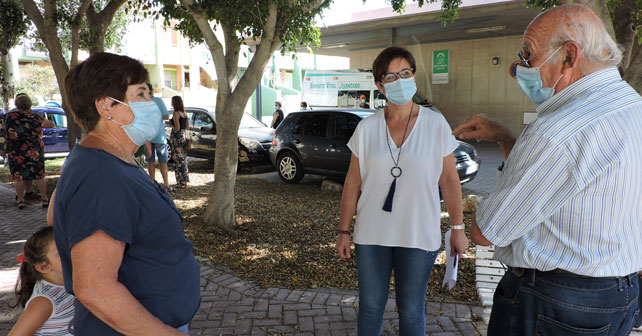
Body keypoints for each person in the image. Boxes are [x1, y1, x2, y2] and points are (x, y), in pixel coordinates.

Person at [452, 5, 642, 336]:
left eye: (527, 56)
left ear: (569, 55)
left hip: (555, 302)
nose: (519, 70)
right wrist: (504, 137)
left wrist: (473, 209)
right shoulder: (631, 105)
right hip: (619, 292)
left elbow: (487, 231)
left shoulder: (557, 132)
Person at [53, 52, 200, 335]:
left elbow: (55, 216)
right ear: (106, 106)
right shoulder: (100, 176)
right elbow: (95, 288)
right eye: (141, 94)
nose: (152, 104)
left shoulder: (112, 158)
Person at [336, 46, 469, 335]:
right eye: (392, 76)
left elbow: (449, 180)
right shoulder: (367, 129)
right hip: (372, 235)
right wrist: (343, 230)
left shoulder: (435, 124)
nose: (400, 80)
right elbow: (352, 183)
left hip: (419, 233)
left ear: (414, 75)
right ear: (379, 85)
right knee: (371, 307)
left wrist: (457, 227)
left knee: (411, 309)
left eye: (405, 73)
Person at [9, 226, 75, 336]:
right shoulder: (44, 301)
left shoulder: (71, 282)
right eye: (62, 251)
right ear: (44, 267)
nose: (73, 252)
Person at [5, 94, 54, 209]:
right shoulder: (35, 117)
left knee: (18, 176)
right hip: (34, 150)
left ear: (16, 104)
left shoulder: (10, 116)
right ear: (29, 103)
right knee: (39, 175)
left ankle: (21, 200)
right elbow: (50, 125)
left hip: (16, 150)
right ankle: (44, 199)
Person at [145, 83, 171, 188]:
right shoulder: (158, 101)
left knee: (150, 161)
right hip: (159, 135)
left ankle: (152, 183)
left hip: (147, 136)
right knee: (162, 161)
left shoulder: (140, 102)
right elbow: (166, 116)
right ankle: (166, 183)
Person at [169, 95, 190, 189]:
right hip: (184, 136)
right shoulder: (184, 113)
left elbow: (177, 128)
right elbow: (188, 128)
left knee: (177, 160)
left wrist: (170, 124)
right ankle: (184, 180)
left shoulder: (176, 113)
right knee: (183, 159)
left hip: (177, 137)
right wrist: (189, 139)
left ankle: (180, 181)